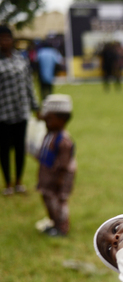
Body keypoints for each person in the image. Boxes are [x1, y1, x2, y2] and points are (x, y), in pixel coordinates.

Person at [0, 25, 40, 195]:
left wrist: (35, 106)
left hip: (21, 112)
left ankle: (18, 181)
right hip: (2, 114)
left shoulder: (20, 59)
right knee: (3, 149)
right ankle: (7, 183)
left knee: (19, 148)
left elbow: (28, 85)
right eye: (1, 39)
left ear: (12, 40)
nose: (4, 42)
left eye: (7, 38)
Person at [36, 94, 76, 236]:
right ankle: (53, 223)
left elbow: (64, 165)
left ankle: (62, 228)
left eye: (49, 118)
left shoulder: (63, 140)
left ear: (61, 120)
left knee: (59, 204)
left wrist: (60, 180)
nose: (45, 121)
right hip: (47, 179)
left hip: (58, 180)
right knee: (49, 202)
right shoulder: (50, 134)